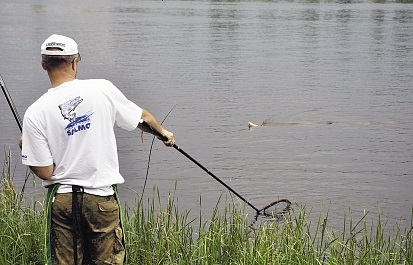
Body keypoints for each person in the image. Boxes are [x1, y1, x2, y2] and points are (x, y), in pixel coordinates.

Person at [21, 34, 175, 265]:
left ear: (44, 64)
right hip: (100, 199)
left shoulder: (35, 111)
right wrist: (163, 134)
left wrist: (28, 147)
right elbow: (140, 118)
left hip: (62, 202)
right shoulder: (102, 88)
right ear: (75, 62)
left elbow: (44, 171)